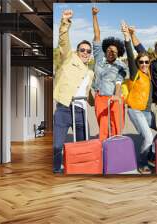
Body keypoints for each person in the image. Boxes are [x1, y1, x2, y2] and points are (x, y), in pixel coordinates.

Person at [53, 9, 95, 173]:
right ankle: (56, 170)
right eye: (82, 50)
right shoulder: (69, 59)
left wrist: (98, 99)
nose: (85, 52)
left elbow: (89, 93)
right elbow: (63, 42)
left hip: (80, 111)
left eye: (88, 51)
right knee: (57, 145)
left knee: (84, 143)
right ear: (77, 52)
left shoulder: (90, 73)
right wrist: (65, 22)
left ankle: (82, 169)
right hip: (64, 107)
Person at [121, 22, 155, 174]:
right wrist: (127, 38)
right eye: (141, 62)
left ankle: (151, 154)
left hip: (147, 111)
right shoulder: (136, 73)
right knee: (148, 137)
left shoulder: (150, 74)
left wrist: (134, 34)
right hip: (135, 110)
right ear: (138, 63)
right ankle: (142, 163)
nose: (144, 64)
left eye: (146, 62)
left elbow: (143, 50)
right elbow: (130, 54)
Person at [91, 7, 128, 141]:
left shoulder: (121, 65)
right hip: (100, 97)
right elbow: (97, 35)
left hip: (115, 98)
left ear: (118, 53)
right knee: (103, 129)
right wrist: (94, 15)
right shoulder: (99, 56)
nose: (111, 52)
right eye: (109, 49)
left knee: (117, 127)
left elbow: (118, 83)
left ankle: (116, 153)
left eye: (115, 51)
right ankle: (103, 153)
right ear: (105, 49)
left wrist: (117, 97)